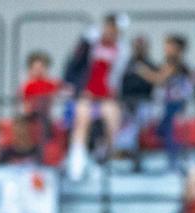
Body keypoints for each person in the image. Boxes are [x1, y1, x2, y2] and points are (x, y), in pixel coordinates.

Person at [66, 14, 128, 180]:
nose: (110, 33)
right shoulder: (90, 44)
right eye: (108, 29)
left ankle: (102, 160)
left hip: (107, 96)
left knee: (113, 122)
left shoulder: (121, 50)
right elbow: (74, 65)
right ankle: (77, 164)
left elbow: (119, 76)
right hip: (87, 93)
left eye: (114, 31)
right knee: (82, 121)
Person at [138, 34, 194, 169]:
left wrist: (143, 71)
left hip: (175, 106)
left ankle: (174, 163)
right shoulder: (171, 64)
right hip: (166, 106)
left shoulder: (175, 65)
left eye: (169, 46)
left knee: (171, 132)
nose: (166, 49)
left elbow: (159, 79)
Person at [113, 35, 158, 162]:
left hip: (145, 103)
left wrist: (144, 72)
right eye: (137, 46)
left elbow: (157, 83)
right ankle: (122, 152)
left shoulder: (150, 65)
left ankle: (134, 153)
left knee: (138, 121)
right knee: (121, 121)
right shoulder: (126, 64)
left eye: (141, 46)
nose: (139, 49)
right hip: (126, 103)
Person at [21, 51, 60, 144]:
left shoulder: (52, 84)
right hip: (33, 115)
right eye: (36, 68)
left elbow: (57, 99)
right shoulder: (28, 85)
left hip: (49, 116)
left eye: (41, 67)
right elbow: (26, 106)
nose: (39, 70)